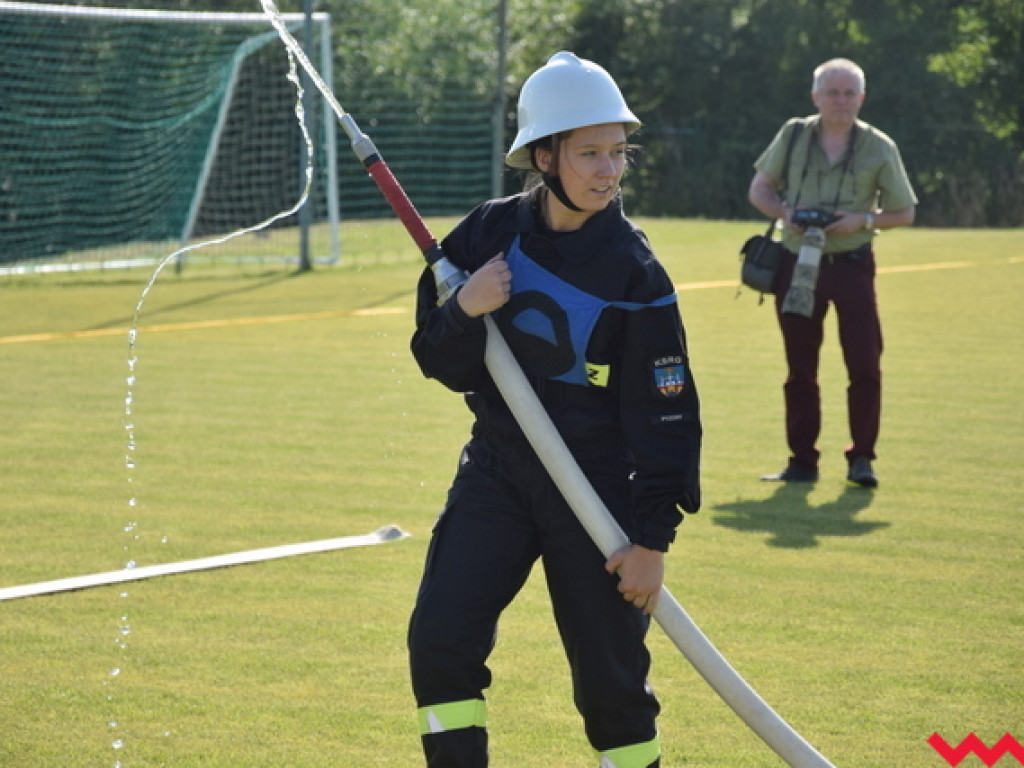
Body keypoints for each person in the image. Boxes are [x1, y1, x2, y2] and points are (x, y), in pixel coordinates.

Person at [406, 51, 702, 768]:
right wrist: (466, 310)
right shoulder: (487, 233)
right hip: (497, 473)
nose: (609, 170)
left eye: (618, 152)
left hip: (595, 492)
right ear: (544, 156)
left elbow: (667, 418)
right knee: (439, 643)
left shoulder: (637, 274)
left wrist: (652, 541)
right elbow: (437, 358)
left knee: (611, 688)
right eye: (589, 153)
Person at [747, 57, 917, 488]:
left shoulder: (879, 146)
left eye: (849, 93)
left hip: (852, 264)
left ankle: (862, 459)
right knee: (800, 368)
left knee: (865, 365)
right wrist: (786, 213)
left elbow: (904, 212)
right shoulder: (793, 134)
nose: (841, 101)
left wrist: (862, 220)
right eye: (832, 93)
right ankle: (802, 461)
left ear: (862, 98)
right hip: (796, 263)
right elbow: (759, 189)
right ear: (815, 97)